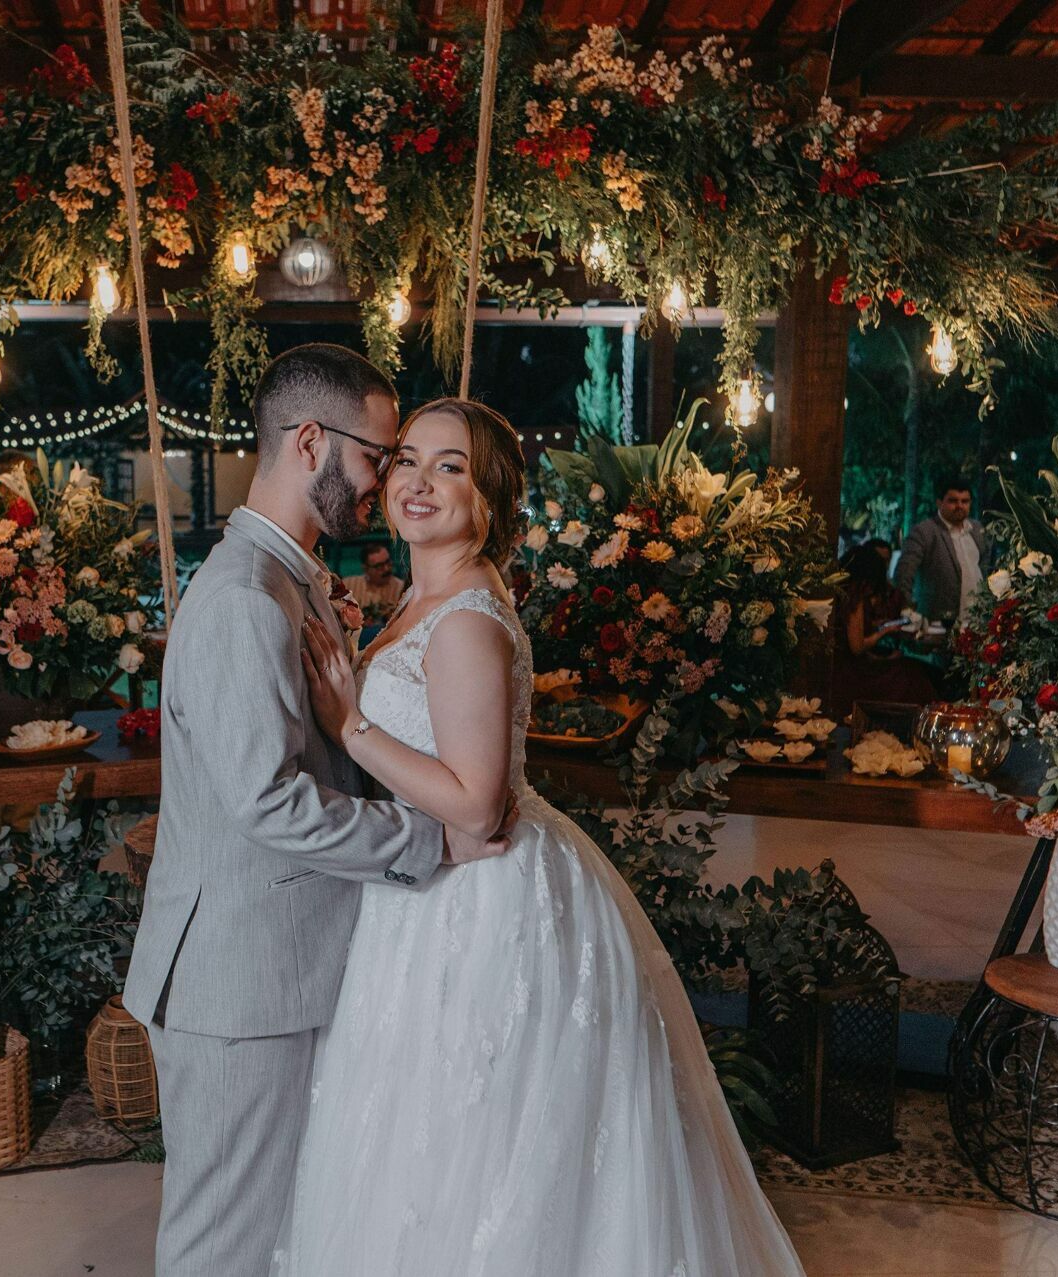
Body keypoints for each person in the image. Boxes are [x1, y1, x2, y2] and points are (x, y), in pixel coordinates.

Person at [281, 398, 805, 1276]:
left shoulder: (469, 622)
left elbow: (478, 805)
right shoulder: (427, 595)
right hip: (424, 890)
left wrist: (351, 727)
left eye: (451, 468)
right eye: (408, 459)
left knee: (481, 1139)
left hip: (477, 900)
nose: (418, 482)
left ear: (489, 500)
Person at [122, 345, 515, 1277]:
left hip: (284, 962)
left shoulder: (286, 579)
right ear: (310, 442)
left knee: (283, 1231)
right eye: (381, 454)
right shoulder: (242, 600)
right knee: (222, 1245)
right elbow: (269, 800)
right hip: (241, 981)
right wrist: (433, 839)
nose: (387, 480)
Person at [832, 539, 937, 711]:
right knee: (913, 678)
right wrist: (884, 631)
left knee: (912, 670)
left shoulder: (842, 592)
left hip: (848, 668)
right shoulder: (854, 597)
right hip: (853, 674)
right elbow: (857, 647)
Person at [894, 478, 987, 625]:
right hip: (939, 622)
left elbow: (984, 568)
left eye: (965, 501)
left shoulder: (976, 530)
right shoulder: (925, 532)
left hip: (976, 621)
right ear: (939, 502)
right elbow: (904, 572)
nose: (959, 506)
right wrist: (907, 609)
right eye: (953, 501)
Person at [342, 542, 405, 624]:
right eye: (379, 566)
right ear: (366, 569)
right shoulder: (349, 585)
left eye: (388, 562)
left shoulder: (401, 588)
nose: (386, 569)